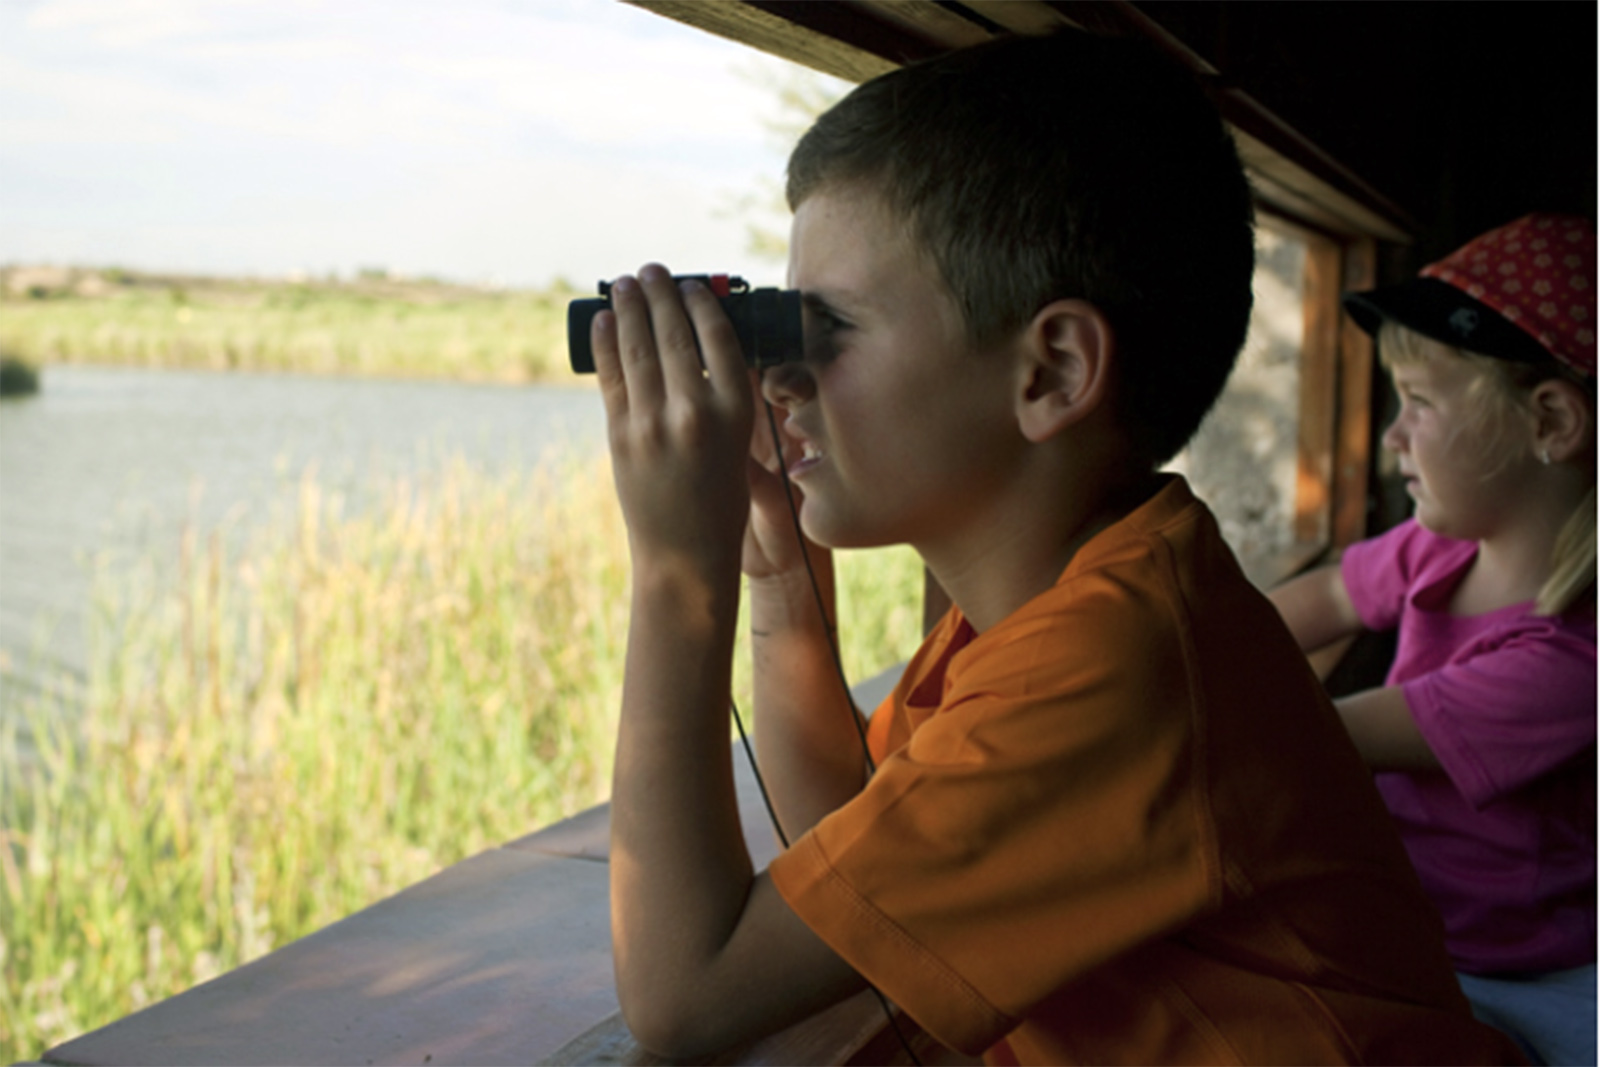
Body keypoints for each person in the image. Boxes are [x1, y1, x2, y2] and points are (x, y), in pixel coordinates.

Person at [590, 29, 1522, 1065]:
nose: (777, 382)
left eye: (828, 332)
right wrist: (775, 574)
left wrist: (679, 568)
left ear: (1051, 372)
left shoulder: (1112, 660)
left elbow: (685, 995)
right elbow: (850, 845)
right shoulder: (1078, 596)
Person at [1269, 213, 1597, 1066]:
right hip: (1416, 915)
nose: (1390, 438)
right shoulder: (1441, 544)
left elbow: (1325, 737)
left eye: (1417, 403)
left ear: (1550, 423)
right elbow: (1325, 595)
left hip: (1517, 968)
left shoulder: (1570, 659)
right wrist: (1178, 641)